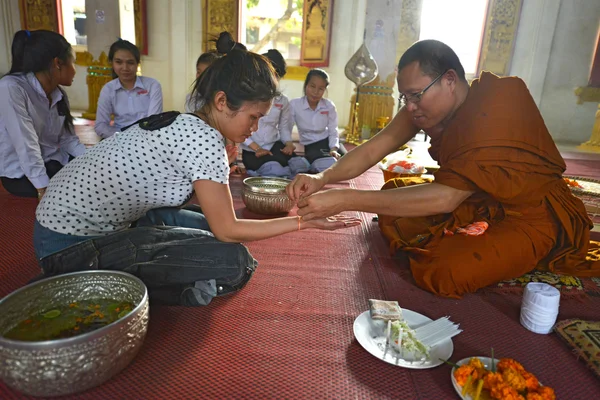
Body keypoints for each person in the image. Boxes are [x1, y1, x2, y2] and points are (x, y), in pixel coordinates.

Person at [33, 32, 359, 306]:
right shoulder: (203, 141)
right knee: (233, 260)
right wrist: (302, 222)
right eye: (253, 117)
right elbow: (228, 230)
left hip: (70, 226)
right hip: (69, 251)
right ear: (221, 102)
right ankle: (145, 292)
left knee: (205, 227)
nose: (255, 128)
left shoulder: (187, 122)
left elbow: (216, 220)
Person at [286, 39, 600, 298]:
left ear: (449, 80)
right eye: (404, 97)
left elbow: (445, 199)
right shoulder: (422, 108)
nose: (409, 106)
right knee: (394, 199)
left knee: (442, 271)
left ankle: (518, 255)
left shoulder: (498, 105)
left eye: (416, 95)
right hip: (477, 201)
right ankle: (465, 238)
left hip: (529, 216)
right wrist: (323, 176)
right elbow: (374, 148)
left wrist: (345, 199)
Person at [0, 30, 86, 199]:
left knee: (96, 177)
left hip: (53, 162)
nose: (75, 71)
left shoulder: (59, 95)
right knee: (83, 189)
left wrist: (95, 160)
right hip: (21, 175)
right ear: (58, 63)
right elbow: (25, 142)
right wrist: (43, 189)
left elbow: (68, 139)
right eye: (73, 63)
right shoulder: (11, 88)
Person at [241, 49, 297, 178]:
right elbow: (240, 129)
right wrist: (256, 148)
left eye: (276, 76)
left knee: (299, 165)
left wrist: (288, 144)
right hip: (252, 150)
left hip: (273, 146)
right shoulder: (247, 98)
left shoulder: (282, 100)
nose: (272, 80)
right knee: (276, 170)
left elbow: (283, 128)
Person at [95, 39, 163, 139]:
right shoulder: (108, 89)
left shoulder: (152, 85)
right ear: (112, 63)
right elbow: (100, 126)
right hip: (118, 139)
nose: (125, 68)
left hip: (147, 138)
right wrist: (123, 137)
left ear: (137, 64)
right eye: (119, 62)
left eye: (130, 63)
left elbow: (153, 121)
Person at [289, 69, 347, 172]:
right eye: (312, 86)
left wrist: (333, 148)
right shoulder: (295, 104)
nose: (316, 92)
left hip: (327, 141)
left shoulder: (329, 106)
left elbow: (333, 130)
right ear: (306, 85)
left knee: (347, 162)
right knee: (326, 164)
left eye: (321, 88)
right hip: (310, 145)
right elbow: (286, 128)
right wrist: (288, 143)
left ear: (325, 90)